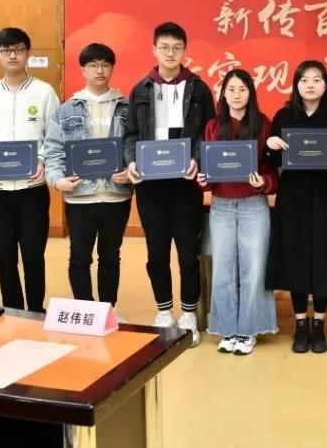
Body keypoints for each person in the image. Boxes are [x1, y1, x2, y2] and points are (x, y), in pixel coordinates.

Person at [123, 22, 215, 336]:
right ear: (154, 50)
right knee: (157, 252)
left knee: (188, 253)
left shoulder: (199, 89)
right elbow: (130, 134)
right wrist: (132, 161)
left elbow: (209, 132)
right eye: (164, 47)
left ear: (184, 50)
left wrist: (197, 159)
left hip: (185, 185)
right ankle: (163, 310)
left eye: (177, 47)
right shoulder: (141, 89)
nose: (170, 53)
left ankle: (188, 313)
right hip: (150, 186)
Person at [0, 28, 59, 313]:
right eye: (5, 50)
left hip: (33, 190)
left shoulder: (44, 92)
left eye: (18, 49)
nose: (12, 55)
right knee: (4, 257)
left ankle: (36, 310)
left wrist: (42, 160)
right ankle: (13, 312)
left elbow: (55, 136)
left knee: (33, 256)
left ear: (28, 53)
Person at [265, 60, 327, 354]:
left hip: (325, 195)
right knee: (296, 256)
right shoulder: (283, 116)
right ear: (296, 85)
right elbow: (273, 161)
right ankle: (301, 323)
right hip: (293, 196)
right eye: (304, 80)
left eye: (316, 79)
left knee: (323, 256)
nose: (310, 85)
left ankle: (319, 323)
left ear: (326, 84)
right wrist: (270, 146)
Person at [43, 44, 132, 310]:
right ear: (83, 70)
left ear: (112, 68)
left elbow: (135, 147)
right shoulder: (66, 109)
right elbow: (53, 150)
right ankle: (86, 311)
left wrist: (131, 172)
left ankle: (108, 310)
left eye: (105, 64)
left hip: (117, 196)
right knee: (80, 258)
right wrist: (56, 180)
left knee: (110, 257)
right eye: (93, 65)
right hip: (80, 197)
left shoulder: (127, 108)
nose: (99, 70)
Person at [198, 69, 278, 355]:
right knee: (223, 269)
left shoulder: (263, 124)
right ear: (223, 94)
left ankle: (248, 330)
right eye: (231, 89)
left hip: (253, 206)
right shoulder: (212, 125)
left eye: (242, 89)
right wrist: (203, 180)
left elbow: (272, 169)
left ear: (250, 93)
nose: (236, 94)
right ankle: (227, 329)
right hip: (221, 205)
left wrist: (263, 182)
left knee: (253, 270)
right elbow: (207, 167)